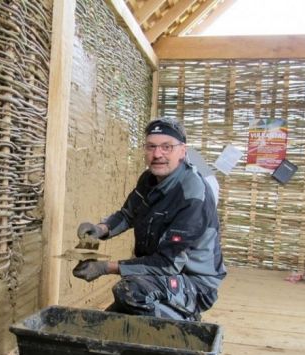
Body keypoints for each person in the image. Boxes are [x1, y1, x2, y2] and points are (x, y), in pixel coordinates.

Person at [73, 117, 226, 321]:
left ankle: (185, 323)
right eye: (151, 146)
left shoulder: (193, 194)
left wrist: (104, 267)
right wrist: (100, 229)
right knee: (107, 322)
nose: (157, 154)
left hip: (195, 284)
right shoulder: (149, 179)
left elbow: (167, 263)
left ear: (182, 151)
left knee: (131, 291)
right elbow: (128, 214)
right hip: (156, 276)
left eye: (166, 147)